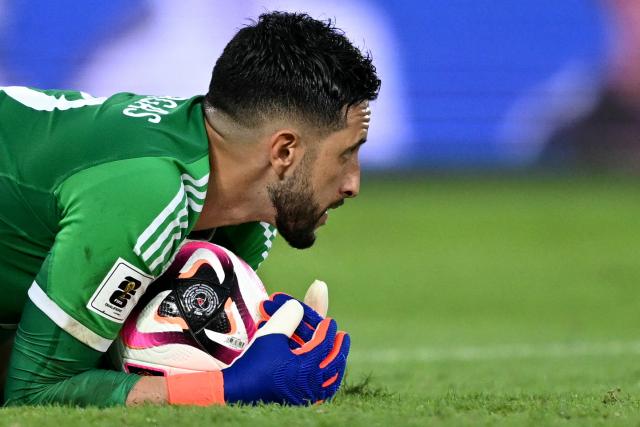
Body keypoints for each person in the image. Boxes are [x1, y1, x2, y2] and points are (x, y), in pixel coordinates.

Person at [0, 11, 380, 406]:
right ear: (284, 151)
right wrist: (230, 388)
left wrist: (247, 337)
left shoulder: (240, 218)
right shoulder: (147, 193)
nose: (354, 183)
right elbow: (32, 393)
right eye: (346, 155)